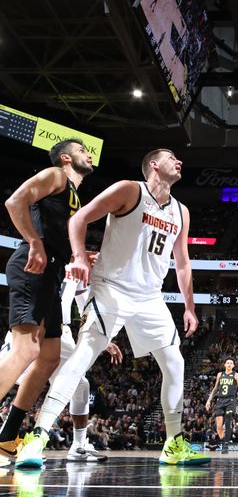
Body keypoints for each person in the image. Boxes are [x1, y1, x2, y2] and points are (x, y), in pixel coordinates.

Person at [15, 149, 209, 467]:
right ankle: (37, 438)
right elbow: (79, 218)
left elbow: (183, 263)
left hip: (150, 297)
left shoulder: (181, 211)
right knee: (82, 357)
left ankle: (173, 444)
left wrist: (189, 307)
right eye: (172, 157)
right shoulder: (129, 190)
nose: (180, 161)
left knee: (175, 364)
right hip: (112, 288)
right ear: (154, 165)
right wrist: (78, 256)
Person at [0, 139, 93, 468]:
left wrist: (79, 255)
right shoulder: (56, 175)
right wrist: (35, 242)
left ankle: (7, 437)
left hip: (52, 273)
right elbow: (15, 202)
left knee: (49, 357)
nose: (89, 154)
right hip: (31, 266)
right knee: (25, 351)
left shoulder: (75, 195)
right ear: (67, 158)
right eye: (82, 151)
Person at [0, 262, 123, 463]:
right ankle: (6, 439)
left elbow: (85, 304)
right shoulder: (51, 253)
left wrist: (105, 339)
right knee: (13, 378)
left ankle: (79, 446)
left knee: (80, 385)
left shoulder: (75, 263)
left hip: (59, 331)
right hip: (31, 320)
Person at [205, 357, 238, 454]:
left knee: (227, 423)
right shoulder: (220, 374)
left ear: (233, 366)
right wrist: (209, 400)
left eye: (231, 363)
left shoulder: (236, 375)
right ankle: (224, 440)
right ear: (224, 365)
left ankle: (225, 445)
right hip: (220, 401)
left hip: (230, 401)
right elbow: (215, 389)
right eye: (227, 363)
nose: (229, 364)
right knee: (219, 426)